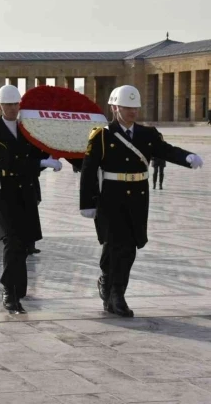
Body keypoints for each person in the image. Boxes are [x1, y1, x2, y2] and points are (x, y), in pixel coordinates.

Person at [80, 85, 203, 318]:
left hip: (137, 198)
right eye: (127, 107)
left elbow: (165, 150)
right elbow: (89, 169)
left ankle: (107, 282)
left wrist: (186, 157)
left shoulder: (148, 134)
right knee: (118, 246)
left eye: (135, 108)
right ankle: (117, 295)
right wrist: (87, 202)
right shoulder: (102, 135)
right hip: (111, 198)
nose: (132, 112)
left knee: (128, 246)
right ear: (115, 107)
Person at [0, 84, 62, 314]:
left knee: (24, 244)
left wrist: (51, 155)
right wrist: (40, 163)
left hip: (25, 193)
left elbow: (37, 153)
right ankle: (9, 291)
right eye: (8, 104)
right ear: (0, 106)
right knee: (12, 241)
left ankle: (19, 289)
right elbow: (8, 162)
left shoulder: (27, 130)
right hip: (5, 194)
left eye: (16, 104)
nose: (12, 108)